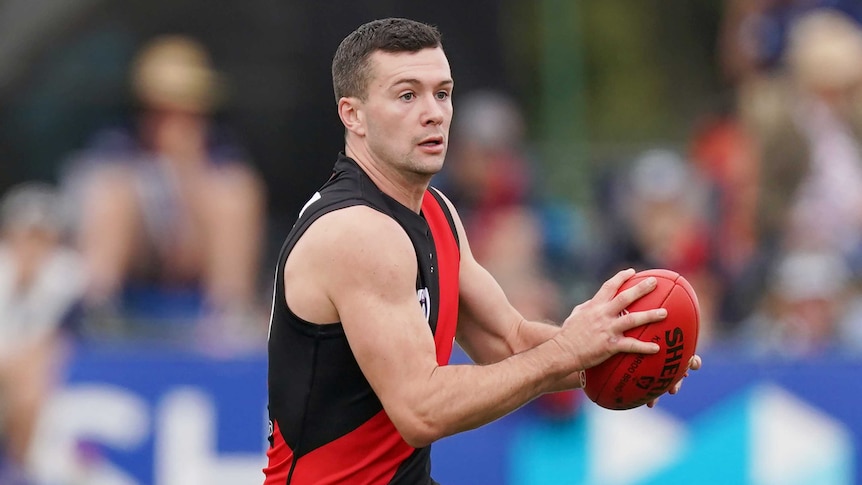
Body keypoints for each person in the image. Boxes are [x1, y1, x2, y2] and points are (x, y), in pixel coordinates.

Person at [263, 18, 702, 484]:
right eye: (407, 95)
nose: (433, 112)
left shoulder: (435, 211)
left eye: (443, 93)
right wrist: (571, 350)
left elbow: (507, 342)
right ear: (352, 115)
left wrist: (618, 350)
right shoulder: (358, 231)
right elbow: (422, 409)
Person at [63, 34, 266, 345]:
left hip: (193, 258)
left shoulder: (221, 154)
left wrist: (186, 169)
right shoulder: (115, 148)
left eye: (187, 109)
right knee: (111, 195)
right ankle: (98, 312)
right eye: (164, 108)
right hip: (138, 261)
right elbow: (82, 210)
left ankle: (230, 314)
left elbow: (192, 231)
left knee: (233, 195)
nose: (175, 121)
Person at [0, 183, 86, 482]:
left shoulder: (68, 276)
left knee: (31, 391)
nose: (32, 249)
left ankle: (22, 470)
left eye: (41, 238)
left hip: (37, 383)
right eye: (26, 237)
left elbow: (53, 344)